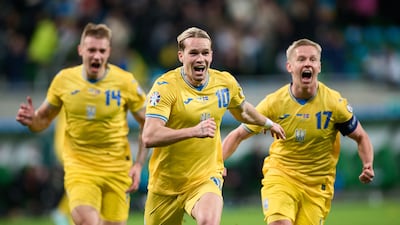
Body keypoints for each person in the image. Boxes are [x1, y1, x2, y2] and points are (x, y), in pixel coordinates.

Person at [141, 27, 286, 225]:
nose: (200, 58)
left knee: (208, 221)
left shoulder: (224, 83)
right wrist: (194, 131)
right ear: (181, 56)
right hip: (165, 185)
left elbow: (242, 110)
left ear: (211, 55)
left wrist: (268, 123)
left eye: (205, 52)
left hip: (205, 177)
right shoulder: (165, 87)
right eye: (193, 53)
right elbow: (149, 135)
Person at [222, 38, 375, 225]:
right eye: (301, 59)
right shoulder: (274, 103)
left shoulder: (334, 104)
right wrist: (217, 163)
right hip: (281, 175)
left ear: (319, 66)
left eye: (312, 59)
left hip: (317, 186)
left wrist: (368, 164)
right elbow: (238, 135)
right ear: (289, 66)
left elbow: (361, 136)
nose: (307, 63)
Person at [16, 23, 148, 225]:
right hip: (80, 167)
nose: (97, 56)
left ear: (109, 52)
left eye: (102, 50)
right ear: (81, 50)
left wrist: (139, 164)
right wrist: (32, 121)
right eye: (91, 50)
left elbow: (148, 123)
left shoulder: (125, 82)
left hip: (117, 169)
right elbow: (42, 120)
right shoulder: (64, 80)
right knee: (89, 222)